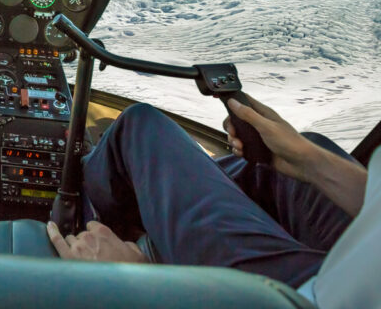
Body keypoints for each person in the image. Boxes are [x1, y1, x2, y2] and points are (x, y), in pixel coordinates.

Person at [45, 95, 377, 308]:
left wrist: (145, 288)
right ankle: (157, 198)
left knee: (141, 127)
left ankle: (86, 194)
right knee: (297, 155)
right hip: (362, 265)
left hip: (312, 296)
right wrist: (308, 161)